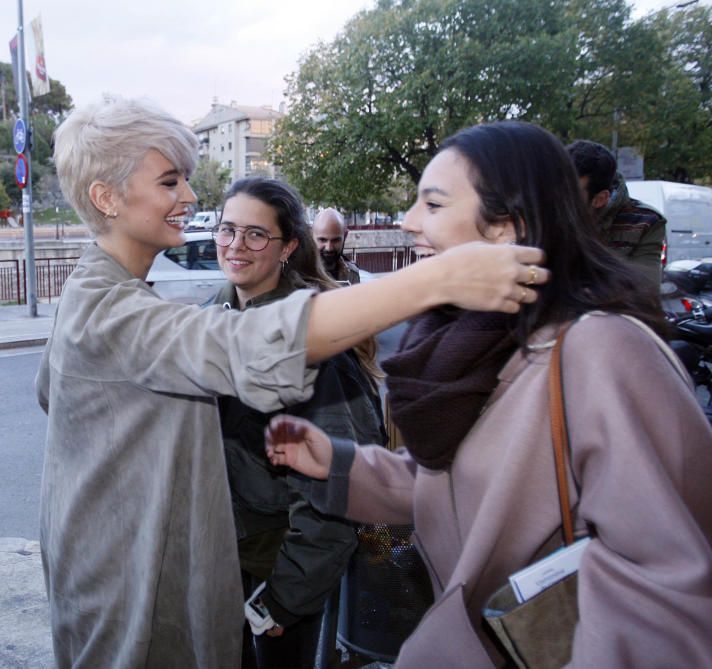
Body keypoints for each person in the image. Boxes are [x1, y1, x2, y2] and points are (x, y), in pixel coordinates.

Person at [35, 96, 547, 668]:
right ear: (107, 197)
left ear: (287, 247)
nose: (190, 198)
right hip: (126, 585)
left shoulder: (95, 293)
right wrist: (438, 277)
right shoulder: (110, 311)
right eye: (170, 181)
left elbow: (53, 394)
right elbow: (246, 346)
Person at [265, 121, 712, 668]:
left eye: (432, 203)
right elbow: (461, 488)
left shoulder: (601, 350)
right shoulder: (473, 340)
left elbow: (662, 587)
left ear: (506, 226)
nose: (408, 222)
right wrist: (341, 467)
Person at [208, 178, 387, 668]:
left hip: (277, 571)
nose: (236, 246)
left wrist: (284, 597)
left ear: (288, 246)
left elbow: (340, 489)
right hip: (223, 559)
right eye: (227, 229)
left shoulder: (314, 345)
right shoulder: (210, 318)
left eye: (255, 234)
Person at [566, 140, 666, 287]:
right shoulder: (542, 213)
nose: (557, 198)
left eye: (570, 193)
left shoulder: (644, 222)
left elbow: (644, 293)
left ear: (600, 199)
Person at [311, 208, 361, 284]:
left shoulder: (352, 274)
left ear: (345, 236)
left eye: (335, 240)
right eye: (322, 240)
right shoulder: (298, 274)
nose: (329, 248)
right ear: (311, 236)